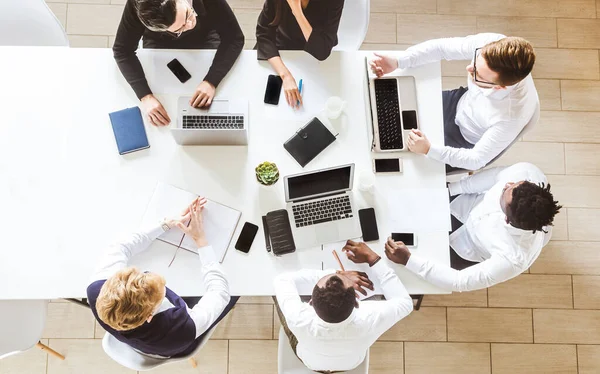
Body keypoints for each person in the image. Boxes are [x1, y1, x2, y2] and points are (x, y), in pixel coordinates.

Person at [87, 197, 238, 358]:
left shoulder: (97, 289)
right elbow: (220, 293)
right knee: (236, 287)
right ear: (150, 315)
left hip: (137, 340)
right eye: (162, 292)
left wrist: (166, 224)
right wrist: (200, 240)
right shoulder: (181, 329)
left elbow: (122, 247)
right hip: (174, 344)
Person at [370, 33, 538, 171]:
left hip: (463, 139)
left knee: (401, 164)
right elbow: (441, 48)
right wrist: (399, 61)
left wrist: (429, 149)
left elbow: (475, 160)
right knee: (388, 109)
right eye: (475, 60)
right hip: (458, 103)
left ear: (500, 87)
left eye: (477, 75)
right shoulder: (492, 45)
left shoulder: (511, 117)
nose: (469, 69)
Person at [384, 162, 561, 292]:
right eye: (513, 185)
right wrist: (449, 190)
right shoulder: (526, 173)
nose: (506, 185)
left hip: (466, 246)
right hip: (465, 205)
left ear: (506, 219)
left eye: (504, 193)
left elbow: (458, 281)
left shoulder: (512, 258)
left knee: (414, 261)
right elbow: (495, 176)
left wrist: (409, 260)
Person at [274, 240, 413, 372]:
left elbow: (282, 279)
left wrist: (335, 274)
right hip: (351, 363)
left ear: (310, 302)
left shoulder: (298, 317)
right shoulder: (370, 316)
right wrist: (373, 259)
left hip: (310, 361)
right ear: (356, 302)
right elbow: (405, 303)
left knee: (276, 295)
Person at [113, 0, 244, 126]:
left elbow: (234, 38)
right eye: (179, 28)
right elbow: (122, 51)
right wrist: (145, 96)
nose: (189, 25)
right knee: (167, 102)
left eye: (187, 14)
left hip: (204, 35)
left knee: (220, 97)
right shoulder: (137, 5)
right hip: (160, 42)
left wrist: (211, 81)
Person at [255, 0, 345, 108]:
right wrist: (286, 76)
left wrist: (297, 11)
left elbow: (321, 51)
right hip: (281, 49)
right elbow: (263, 33)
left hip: (313, 53)